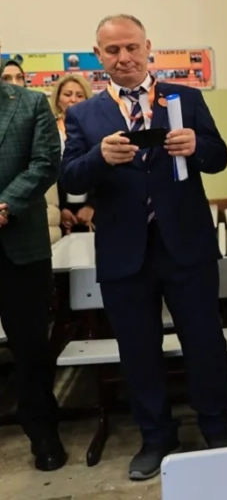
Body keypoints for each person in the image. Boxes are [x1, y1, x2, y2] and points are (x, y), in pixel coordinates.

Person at [60, 14, 227, 481]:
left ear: (147, 47)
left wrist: (197, 145)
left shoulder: (185, 99)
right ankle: (156, 437)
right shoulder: (84, 115)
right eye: (112, 50)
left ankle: (217, 430)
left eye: (131, 47)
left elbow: (219, 158)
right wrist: (99, 157)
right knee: (139, 350)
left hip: (187, 245)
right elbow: (70, 177)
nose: (124, 58)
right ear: (98, 56)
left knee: (205, 342)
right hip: (124, 252)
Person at [0, 80, 66, 471]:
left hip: (20, 247)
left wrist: (5, 205)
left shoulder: (29, 104)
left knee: (31, 348)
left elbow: (45, 164)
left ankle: (42, 432)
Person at [50, 74, 95, 234]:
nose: (73, 100)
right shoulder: (48, 130)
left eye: (79, 95)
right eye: (67, 94)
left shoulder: (95, 130)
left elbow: (102, 168)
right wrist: (60, 208)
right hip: (58, 208)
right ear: (58, 99)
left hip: (92, 209)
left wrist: (92, 206)